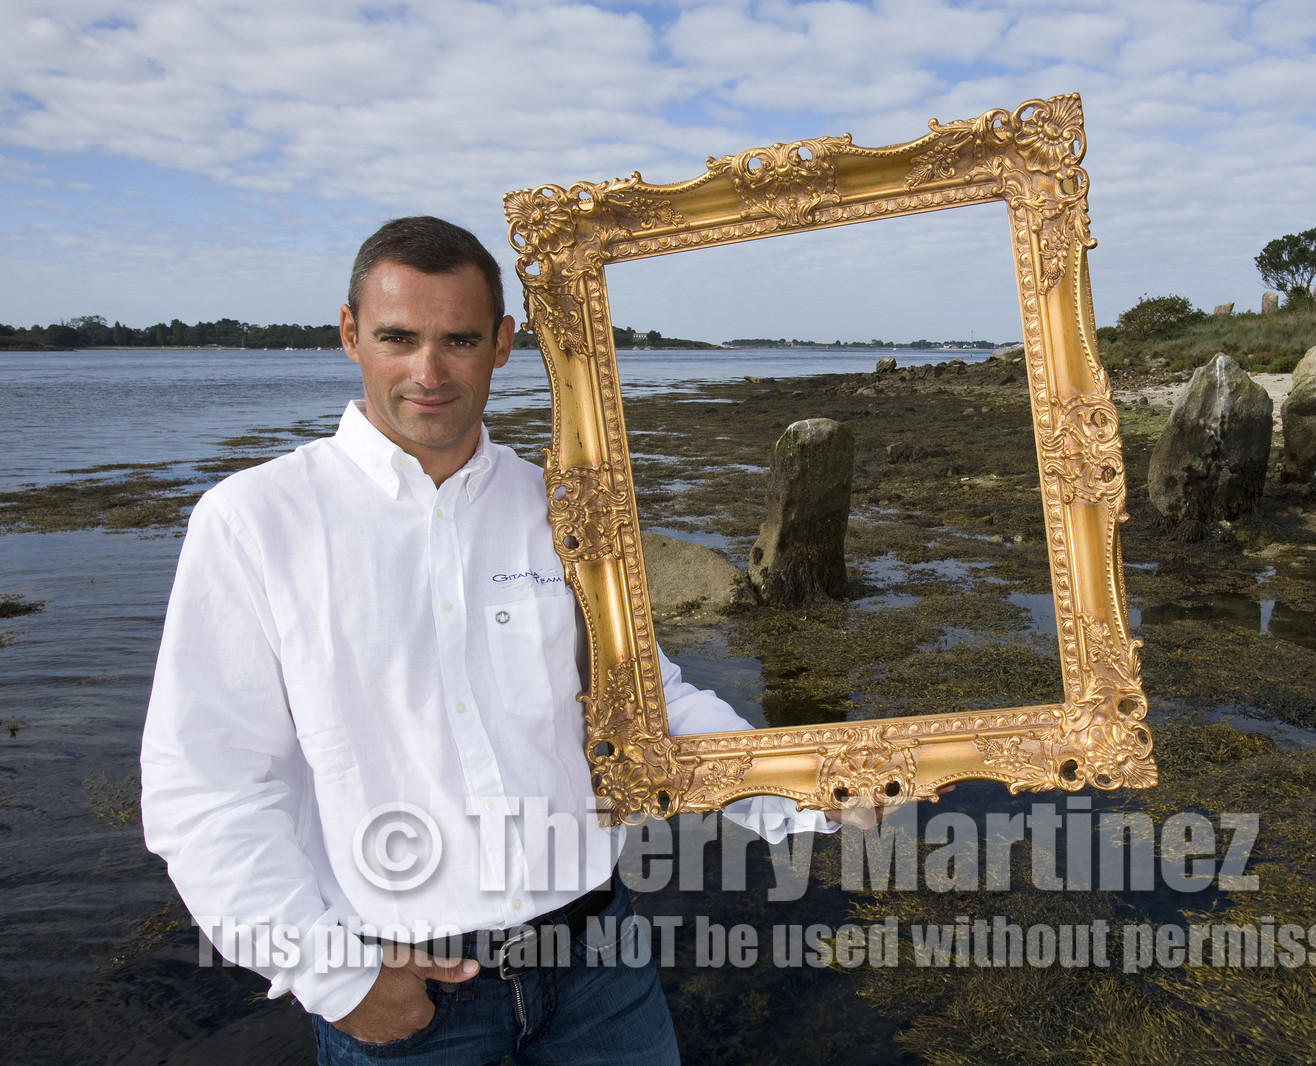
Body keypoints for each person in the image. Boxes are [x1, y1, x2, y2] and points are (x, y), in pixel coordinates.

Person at [141, 216, 836, 1064]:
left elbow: (653, 705)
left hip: (598, 969)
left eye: (458, 340)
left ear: (504, 343)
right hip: (406, 992)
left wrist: (818, 786)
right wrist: (335, 979)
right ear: (349, 334)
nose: (427, 372)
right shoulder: (254, 522)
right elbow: (207, 786)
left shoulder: (565, 511)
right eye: (397, 337)